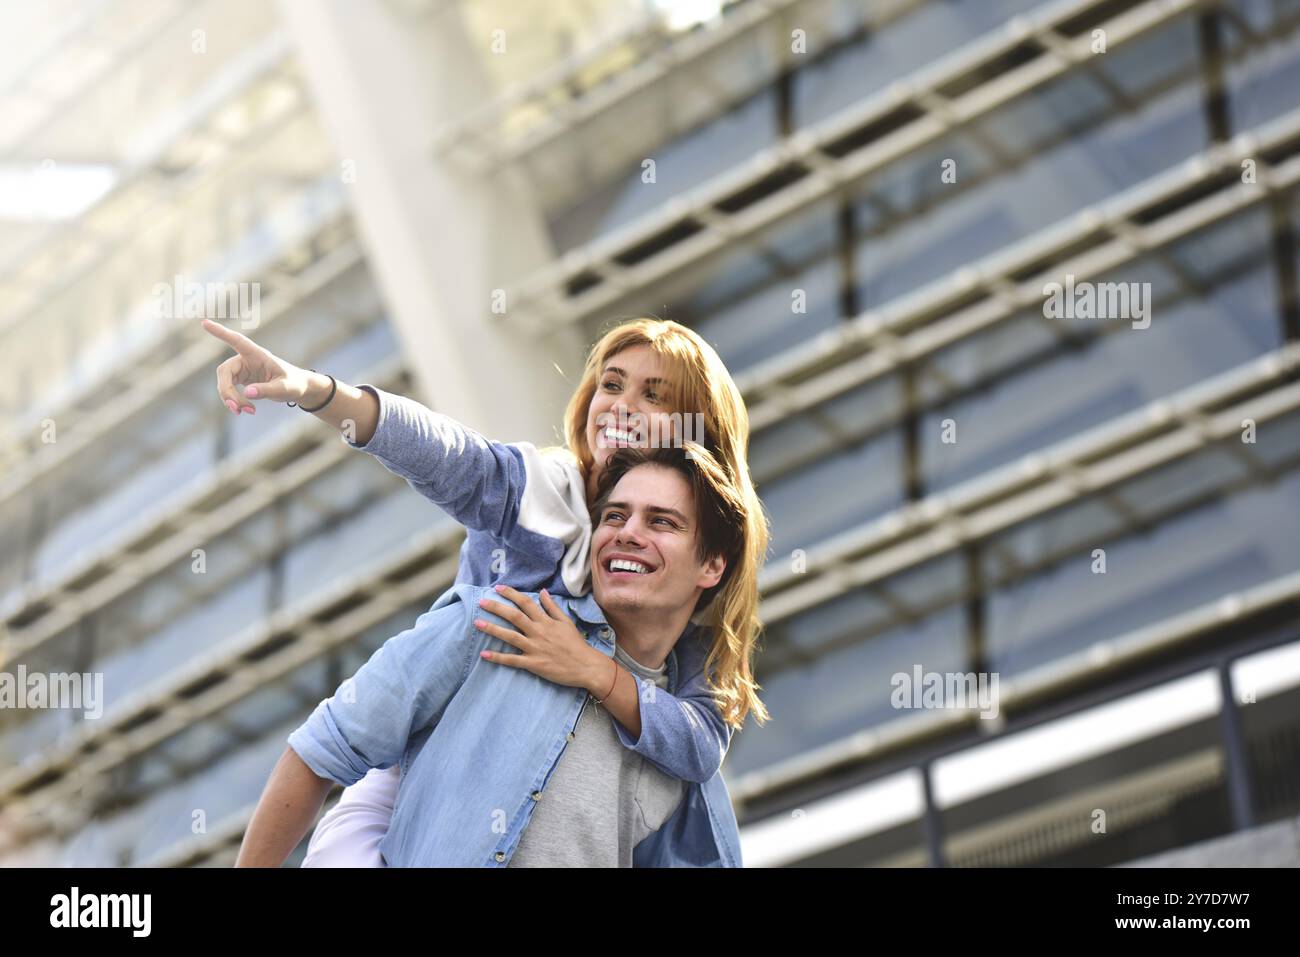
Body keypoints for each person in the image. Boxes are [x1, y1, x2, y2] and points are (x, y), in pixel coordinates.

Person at [202, 316, 770, 865]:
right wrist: (312, 390)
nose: (620, 405)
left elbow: (699, 743)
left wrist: (594, 671)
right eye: (611, 384)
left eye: (654, 394)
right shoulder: (544, 491)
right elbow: (446, 454)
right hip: (415, 750)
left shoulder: (684, 636)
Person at [236, 444, 754, 866]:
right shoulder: (498, 622)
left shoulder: (683, 748)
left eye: (661, 522)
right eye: (615, 515)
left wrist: (600, 676)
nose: (627, 533)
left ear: (711, 565)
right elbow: (320, 750)